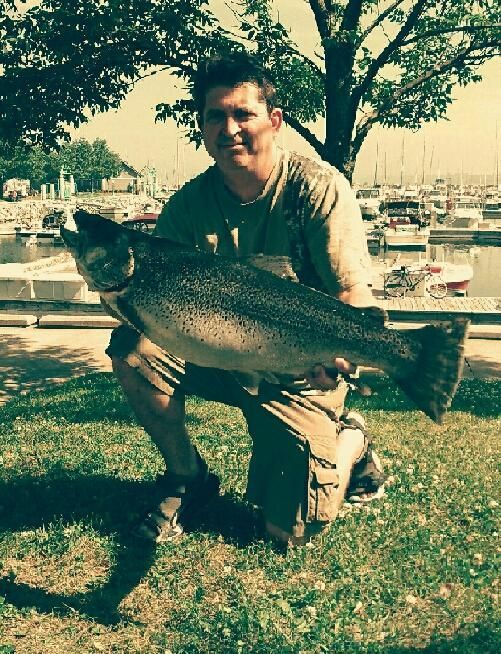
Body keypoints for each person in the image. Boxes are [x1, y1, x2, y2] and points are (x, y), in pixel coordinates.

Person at [106, 53, 386, 546]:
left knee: (288, 532)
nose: (229, 127)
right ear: (202, 125)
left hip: (301, 369)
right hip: (217, 355)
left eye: (243, 114)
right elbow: (154, 301)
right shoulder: (188, 206)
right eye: (215, 115)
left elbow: (350, 292)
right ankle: (188, 478)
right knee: (134, 349)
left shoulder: (318, 188)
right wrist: (120, 296)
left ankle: (352, 440)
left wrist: (346, 359)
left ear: (274, 121)